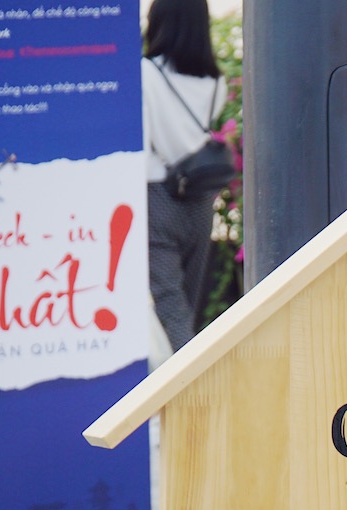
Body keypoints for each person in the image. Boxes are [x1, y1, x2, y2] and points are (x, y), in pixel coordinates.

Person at [142, 0, 226, 352]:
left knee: (169, 306)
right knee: (188, 303)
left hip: (157, 196)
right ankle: (188, 366)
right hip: (199, 198)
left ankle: (189, 379)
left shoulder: (145, 74)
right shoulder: (215, 82)